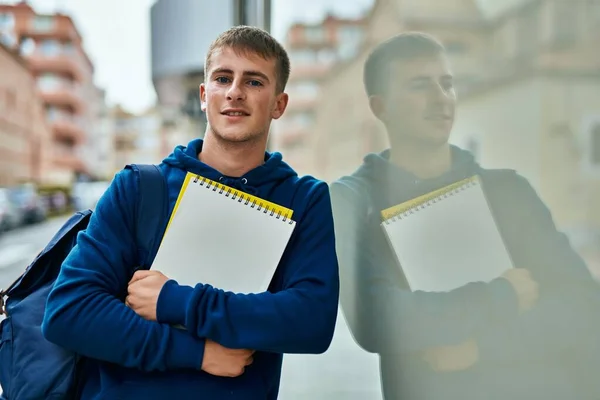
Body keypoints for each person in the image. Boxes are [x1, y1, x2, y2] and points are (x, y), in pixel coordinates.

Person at [42, 26, 339, 399]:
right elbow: (70, 311)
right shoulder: (138, 188)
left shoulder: (303, 199)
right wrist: (196, 353)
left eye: (255, 82)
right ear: (204, 95)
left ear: (279, 104)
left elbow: (311, 320)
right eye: (222, 78)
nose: (234, 92)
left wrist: (177, 301)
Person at [330, 32, 600, 400]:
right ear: (381, 107)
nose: (440, 98)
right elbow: (377, 321)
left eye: (447, 84)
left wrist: (479, 348)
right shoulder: (360, 207)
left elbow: (582, 305)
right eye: (419, 86)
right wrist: (502, 296)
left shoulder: (509, 194)